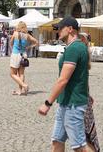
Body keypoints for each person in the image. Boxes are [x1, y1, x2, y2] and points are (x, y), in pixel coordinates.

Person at [38, 17, 90, 152]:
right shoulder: (75, 47)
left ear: (70, 29)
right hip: (65, 103)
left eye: (60, 28)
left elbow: (63, 80)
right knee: (57, 141)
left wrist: (47, 103)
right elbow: (81, 75)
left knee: (79, 146)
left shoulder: (74, 49)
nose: (58, 31)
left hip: (73, 105)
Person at [78, 33, 100, 152]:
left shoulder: (80, 56)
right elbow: (84, 80)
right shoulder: (85, 55)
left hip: (78, 99)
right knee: (84, 136)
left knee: (83, 138)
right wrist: (88, 93)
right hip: (84, 96)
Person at [10, 22, 38, 96]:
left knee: (12, 74)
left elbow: (11, 43)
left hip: (16, 54)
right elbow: (36, 42)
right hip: (24, 55)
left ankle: (24, 85)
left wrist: (14, 47)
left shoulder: (15, 34)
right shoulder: (27, 35)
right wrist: (28, 47)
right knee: (21, 73)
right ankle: (20, 91)